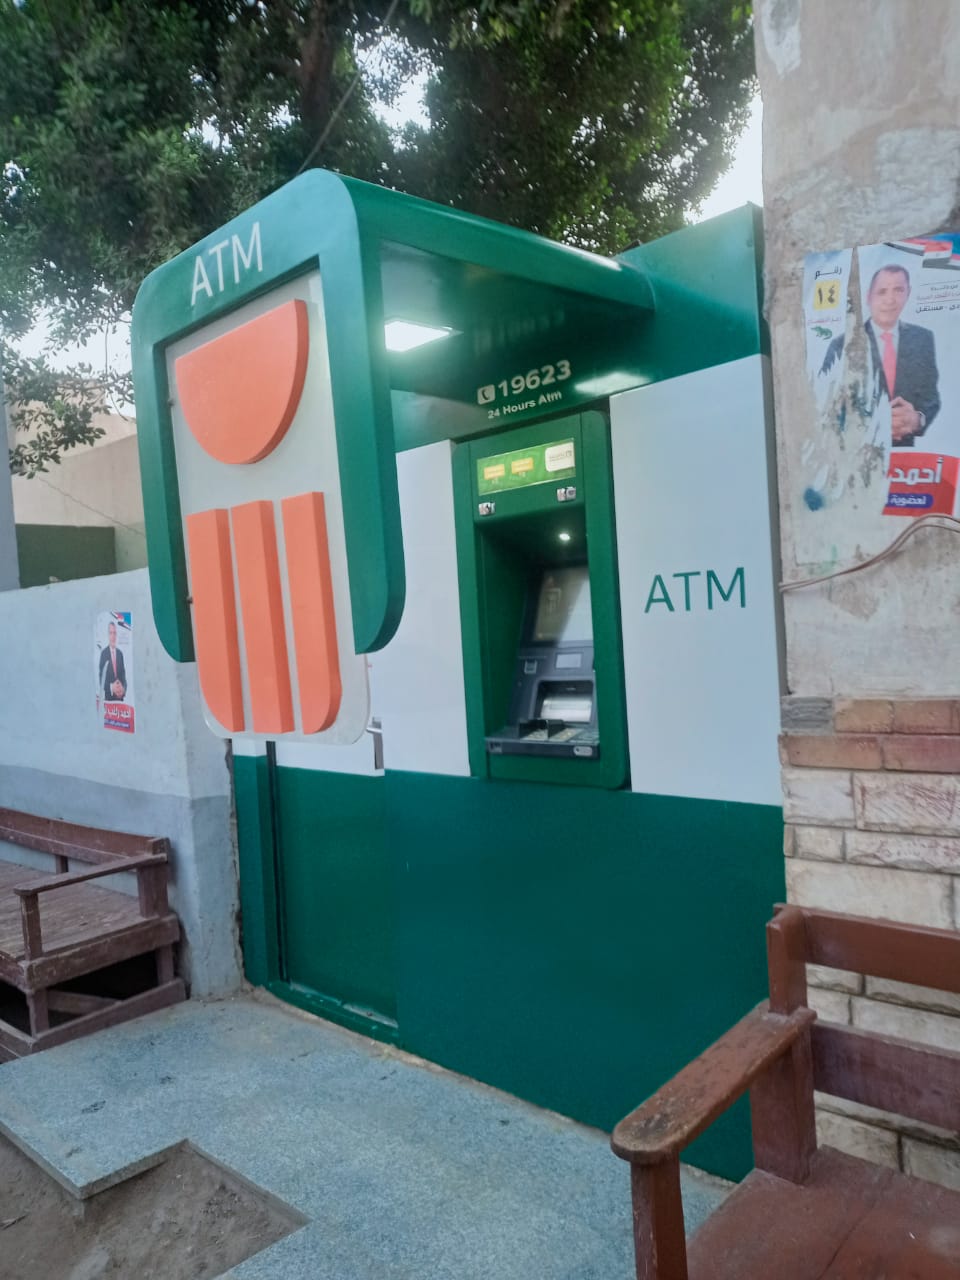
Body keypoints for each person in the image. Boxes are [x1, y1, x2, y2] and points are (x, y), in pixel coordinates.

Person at [820, 264, 940, 446]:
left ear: (908, 293)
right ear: (869, 297)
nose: (890, 300)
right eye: (882, 291)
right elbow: (825, 404)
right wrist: (873, 422)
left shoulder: (923, 339)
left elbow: (931, 398)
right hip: (857, 452)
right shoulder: (841, 345)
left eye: (898, 290)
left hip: (906, 455)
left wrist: (917, 419)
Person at [99, 620, 127, 702]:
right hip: (109, 700)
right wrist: (112, 687)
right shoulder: (104, 654)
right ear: (108, 635)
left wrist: (123, 689)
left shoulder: (120, 654)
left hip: (120, 700)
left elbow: (123, 677)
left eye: (114, 633)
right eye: (111, 633)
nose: (113, 636)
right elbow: (101, 679)